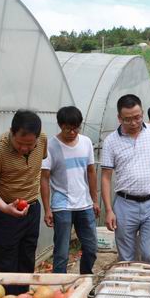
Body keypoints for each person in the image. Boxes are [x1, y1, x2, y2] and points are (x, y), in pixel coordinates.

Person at [0, 110, 46, 295]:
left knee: (27, 260)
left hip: (32, 209)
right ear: (11, 132)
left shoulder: (42, 141)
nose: (24, 149)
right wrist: (5, 208)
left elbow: (39, 168)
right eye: (20, 143)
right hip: (5, 213)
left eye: (30, 145)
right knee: (4, 265)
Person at [101, 94, 150, 263]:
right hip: (125, 205)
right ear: (119, 118)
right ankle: (129, 288)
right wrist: (109, 210)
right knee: (126, 258)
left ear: (142, 113)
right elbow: (105, 177)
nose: (133, 123)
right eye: (127, 119)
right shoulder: (111, 141)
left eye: (137, 117)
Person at [40, 106, 99, 275]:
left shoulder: (86, 142)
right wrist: (47, 209)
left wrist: (94, 200)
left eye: (76, 128)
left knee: (91, 247)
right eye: (68, 128)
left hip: (84, 204)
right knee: (61, 251)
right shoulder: (51, 146)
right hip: (62, 205)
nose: (72, 132)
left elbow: (91, 171)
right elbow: (44, 177)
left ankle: (85, 278)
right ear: (60, 125)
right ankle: (59, 286)